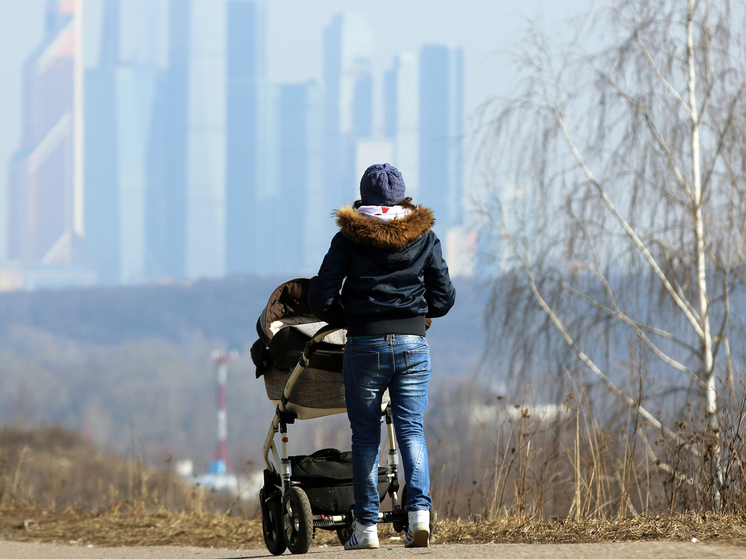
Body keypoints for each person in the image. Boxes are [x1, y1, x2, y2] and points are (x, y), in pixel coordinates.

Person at [308, 163, 456, 550]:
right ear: (403, 197)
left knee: (366, 438)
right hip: (412, 343)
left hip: (364, 346)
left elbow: (320, 296)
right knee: (411, 429)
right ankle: (419, 514)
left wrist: (349, 317)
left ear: (364, 199)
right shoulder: (425, 237)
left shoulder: (348, 239)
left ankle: (366, 528)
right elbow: (444, 296)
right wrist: (421, 315)